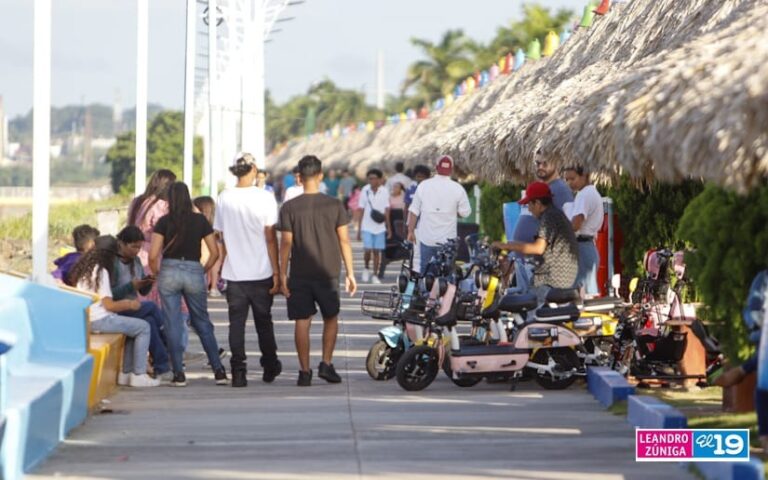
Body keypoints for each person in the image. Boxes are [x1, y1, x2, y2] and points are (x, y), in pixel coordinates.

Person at [278, 155, 356, 387]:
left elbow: (286, 243)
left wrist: (282, 274)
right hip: (328, 271)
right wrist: (350, 272)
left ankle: (304, 371)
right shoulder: (334, 205)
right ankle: (326, 363)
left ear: (299, 178)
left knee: (302, 321)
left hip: (300, 273)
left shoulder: (289, 207)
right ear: (320, 176)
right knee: (330, 317)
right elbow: (344, 241)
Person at [149, 182, 227, 387]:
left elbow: (153, 255)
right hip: (193, 269)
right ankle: (218, 370)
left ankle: (178, 374)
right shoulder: (200, 220)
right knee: (201, 321)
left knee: (173, 323)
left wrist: (158, 273)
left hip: (169, 271)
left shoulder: (164, 222)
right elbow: (214, 252)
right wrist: (202, 270)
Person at [214, 153, 282, 388]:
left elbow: (220, 235)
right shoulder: (265, 197)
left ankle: (239, 371)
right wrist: (277, 273)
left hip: (234, 274)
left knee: (237, 324)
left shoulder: (224, 197)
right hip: (261, 272)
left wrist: (220, 267)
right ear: (253, 169)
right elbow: (271, 238)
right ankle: (270, 364)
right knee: (264, 322)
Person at [69, 235, 160, 387]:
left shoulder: (86, 268)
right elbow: (108, 305)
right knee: (144, 327)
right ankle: (138, 374)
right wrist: (129, 304)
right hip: (100, 320)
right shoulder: (101, 272)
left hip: (89, 318)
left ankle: (126, 374)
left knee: (134, 328)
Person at [492, 182, 579, 303]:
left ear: (537, 203)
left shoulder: (549, 217)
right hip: (559, 276)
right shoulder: (554, 214)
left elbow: (538, 248)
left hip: (554, 280)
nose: (528, 209)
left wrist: (506, 245)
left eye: (529, 204)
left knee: (523, 303)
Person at [407, 155, 471, 274]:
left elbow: (414, 210)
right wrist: (452, 211)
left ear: (436, 168)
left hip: (427, 238)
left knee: (426, 273)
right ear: (451, 170)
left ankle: (425, 291)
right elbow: (465, 213)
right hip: (448, 242)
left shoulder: (423, 186)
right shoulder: (458, 188)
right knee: (446, 275)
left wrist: (410, 231)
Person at [512, 150, 573, 244]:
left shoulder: (561, 189)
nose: (540, 167)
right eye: (538, 163)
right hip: (525, 255)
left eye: (545, 164)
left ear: (556, 163)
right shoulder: (539, 187)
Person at [564, 166, 604, 296]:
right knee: (585, 294)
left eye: (572, 178)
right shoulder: (588, 193)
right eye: (567, 179)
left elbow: (575, 224)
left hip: (583, 247)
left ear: (584, 175)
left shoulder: (585, 194)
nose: (569, 183)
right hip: (586, 247)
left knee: (577, 295)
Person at [358, 169, 390, 284]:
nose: (371, 180)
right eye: (369, 178)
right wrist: (358, 228)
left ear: (379, 179)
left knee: (377, 252)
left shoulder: (385, 191)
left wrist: (389, 228)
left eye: (374, 178)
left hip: (380, 227)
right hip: (367, 225)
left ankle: (375, 275)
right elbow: (361, 209)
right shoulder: (365, 190)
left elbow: (387, 210)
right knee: (367, 250)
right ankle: (366, 268)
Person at [193, 196, 223, 297]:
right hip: (203, 264)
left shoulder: (211, 230)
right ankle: (213, 286)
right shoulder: (215, 230)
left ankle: (212, 286)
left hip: (203, 263)